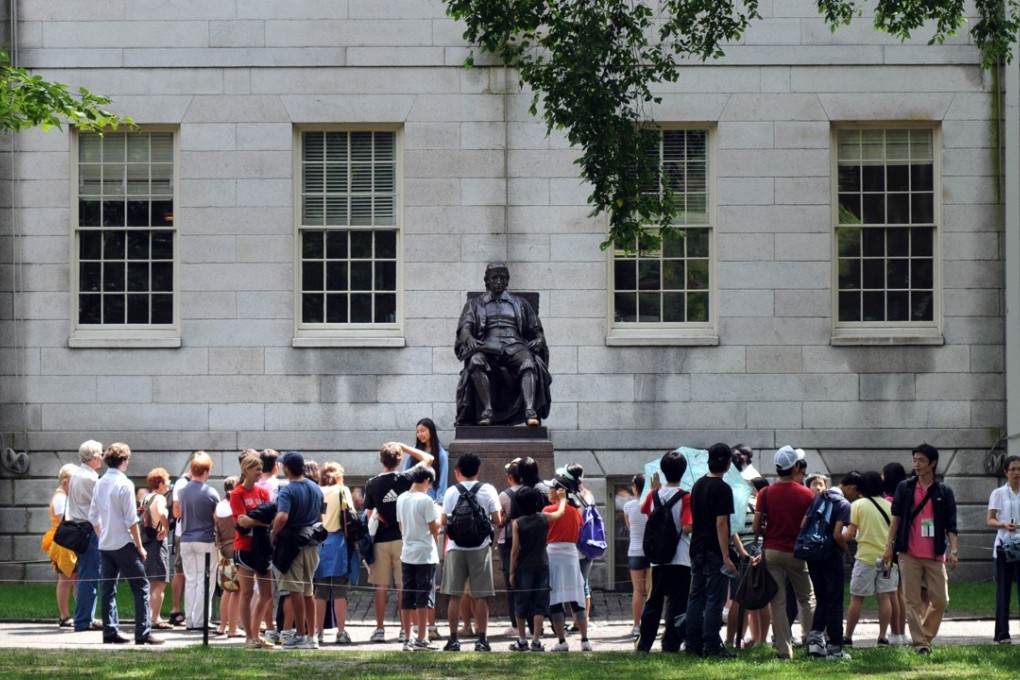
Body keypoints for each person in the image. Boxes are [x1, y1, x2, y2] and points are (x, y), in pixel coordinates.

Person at [882, 443, 959, 655]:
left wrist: (953, 550)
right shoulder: (905, 487)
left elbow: (951, 524)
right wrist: (888, 547)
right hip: (909, 552)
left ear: (932, 463)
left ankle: (925, 635)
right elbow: (895, 519)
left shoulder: (944, 491)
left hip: (935, 553)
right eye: (914, 460)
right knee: (912, 601)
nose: (916, 464)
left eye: (921, 460)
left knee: (941, 599)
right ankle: (920, 644)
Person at [454, 262, 552, 426]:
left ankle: (530, 411)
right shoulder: (475, 304)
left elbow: (536, 329)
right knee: (476, 361)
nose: (498, 281)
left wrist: (539, 339)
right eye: (494, 278)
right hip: (487, 347)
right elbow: (465, 328)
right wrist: (470, 340)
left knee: (528, 362)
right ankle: (487, 410)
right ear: (487, 281)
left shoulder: (520, 303)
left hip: (515, 345)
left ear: (507, 281)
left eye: (502, 278)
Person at [88, 443, 162, 645]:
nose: (128, 462)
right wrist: (139, 546)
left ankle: (110, 631)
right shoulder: (125, 483)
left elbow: (93, 516)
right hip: (123, 543)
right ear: (123, 460)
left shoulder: (100, 482)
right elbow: (131, 519)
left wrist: (103, 534)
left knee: (108, 588)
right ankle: (143, 632)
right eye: (127, 459)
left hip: (106, 544)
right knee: (141, 586)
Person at [364, 441, 435, 644]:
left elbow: (369, 515)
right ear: (400, 460)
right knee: (404, 585)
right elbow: (428, 459)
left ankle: (379, 629)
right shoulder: (405, 478)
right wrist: (404, 446)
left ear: (381, 460)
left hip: (381, 540)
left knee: (381, 587)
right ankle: (406, 630)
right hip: (402, 539)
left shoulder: (372, 483)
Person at [752, 445, 816, 660]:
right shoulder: (807, 493)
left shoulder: (765, 492)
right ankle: (810, 640)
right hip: (798, 552)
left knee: (777, 602)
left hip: (771, 550)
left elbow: (756, 526)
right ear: (796, 467)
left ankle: (783, 649)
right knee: (806, 598)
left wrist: (767, 530)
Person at [440, 452, 502, 652]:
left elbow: (443, 521)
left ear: (457, 472)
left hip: (455, 548)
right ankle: (482, 639)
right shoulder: (488, 489)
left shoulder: (451, 492)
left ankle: (453, 639)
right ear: (478, 470)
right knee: (481, 595)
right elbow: (497, 519)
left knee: (454, 595)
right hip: (480, 547)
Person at [685, 443, 740, 659]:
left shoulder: (698, 485)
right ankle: (711, 645)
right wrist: (726, 555)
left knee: (696, 596)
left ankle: (692, 644)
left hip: (696, 546)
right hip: (713, 550)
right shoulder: (723, 488)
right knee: (715, 599)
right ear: (727, 463)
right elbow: (721, 525)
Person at [635, 451, 692, 653]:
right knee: (677, 603)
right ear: (683, 471)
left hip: (658, 558)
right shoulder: (686, 497)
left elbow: (646, 511)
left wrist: (655, 491)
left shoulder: (653, 494)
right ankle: (670, 644)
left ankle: (644, 644)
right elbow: (687, 526)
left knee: (653, 602)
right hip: (681, 558)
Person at [271, 451, 325, 650]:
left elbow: (282, 517)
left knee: (295, 592)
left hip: (292, 545)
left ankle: (300, 635)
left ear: (286, 468)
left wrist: (273, 533)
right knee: (308, 590)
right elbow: (321, 518)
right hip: (311, 543)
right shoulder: (315, 488)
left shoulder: (287, 490)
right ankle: (312, 636)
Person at [804, 470, 860, 661]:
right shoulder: (843, 504)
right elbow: (838, 534)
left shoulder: (818, 498)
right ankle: (835, 648)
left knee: (821, 598)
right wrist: (846, 551)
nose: (855, 498)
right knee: (835, 602)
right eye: (857, 494)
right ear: (851, 488)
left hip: (813, 555)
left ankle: (815, 643)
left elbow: (804, 523)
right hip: (831, 556)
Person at [508, 485, 568, 652]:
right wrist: (562, 499)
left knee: (521, 603)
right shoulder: (544, 518)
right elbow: (560, 513)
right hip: (542, 565)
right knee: (540, 604)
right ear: (535, 503)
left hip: (524, 567)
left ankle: (521, 640)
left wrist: (512, 573)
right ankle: (535, 640)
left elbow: (514, 551)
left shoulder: (517, 523)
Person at [844, 471, 898, 647]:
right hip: (887, 559)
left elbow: (850, 533)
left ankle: (848, 637)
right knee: (885, 597)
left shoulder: (858, 505)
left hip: (865, 558)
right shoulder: (890, 506)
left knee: (857, 598)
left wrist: (836, 535)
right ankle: (882, 637)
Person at [542, 471, 591, 652]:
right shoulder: (575, 512)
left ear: (559, 492)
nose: (548, 491)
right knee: (576, 597)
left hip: (553, 555)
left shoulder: (548, 510)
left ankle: (562, 640)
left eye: (551, 488)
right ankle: (585, 639)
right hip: (571, 555)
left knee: (555, 599)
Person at [231, 453, 274, 650]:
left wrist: (253, 521)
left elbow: (268, 520)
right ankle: (249, 637)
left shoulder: (263, 493)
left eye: (261, 469)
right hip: (245, 548)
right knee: (246, 593)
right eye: (257, 469)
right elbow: (240, 523)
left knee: (266, 593)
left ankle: (256, 634)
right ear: (246, 470)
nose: (260, 473)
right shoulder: (237, 494)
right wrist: (256, 521)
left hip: (262, 547)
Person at [396, 465, 441, 651]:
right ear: (427, 481)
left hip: (407, 552)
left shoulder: (401, 498)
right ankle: (422, 637)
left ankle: (408, 637)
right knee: (424, 597)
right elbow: (434, 529)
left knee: (407, 595)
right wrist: (438, 514)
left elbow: (400, 526)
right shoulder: (426, 500)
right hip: (425, 553)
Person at [313, 462, 359, 646]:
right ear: (338, 476)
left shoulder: (317, 491)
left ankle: (319, 633)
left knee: (320, 590)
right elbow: (351, 514)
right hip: (339, 542)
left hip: (321, 542)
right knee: (340, 589)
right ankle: (341, 632)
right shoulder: (342, 490)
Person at [177, 451, 220, 631]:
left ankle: (190, 620)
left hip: (186, 539)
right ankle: (201, 620)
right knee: (206, 580)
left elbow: (178, 513)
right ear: (206, 471)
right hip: (205, 539)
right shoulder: (211, 492)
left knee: (192, 580)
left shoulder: (182, 491)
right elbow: (216, 517)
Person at [65, 439, 104, 632]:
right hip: (90, 530)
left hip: (81, 529)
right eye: (101, 454)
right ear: (95, 457)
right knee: (89, 576)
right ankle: (82, 620)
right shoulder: (90, 478)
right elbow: (100, 505)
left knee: (87, 575)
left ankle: (87, 617)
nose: (103, 457)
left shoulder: (77, 475)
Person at [987, 455, 1020, 644]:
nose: (1017, 473)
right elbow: (989, 519)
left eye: (1019, 469)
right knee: (1003, 591)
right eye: (1013, 469)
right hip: (1004, 548)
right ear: (1006, 472)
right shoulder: (998, 493)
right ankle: (1002, 634)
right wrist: (1003, 524)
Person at [44, 464, 78, 627]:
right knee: (66, 579)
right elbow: (64, 522)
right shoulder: (60, 498)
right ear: (66, 481)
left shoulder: (66, 496)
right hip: (63, 543)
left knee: (76, 578)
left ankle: (82, 614)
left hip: (70, 542)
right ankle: (64, 616)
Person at [167, 450, 198, 628]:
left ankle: (188, 610)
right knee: (180, 571)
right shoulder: (182, 483)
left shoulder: (193, 482)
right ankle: (175, 609)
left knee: (190, 573)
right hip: (182, 533)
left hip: (192, 533)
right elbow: (176, 511)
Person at [140, 468, 172, 630]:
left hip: (146, 541)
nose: (168, 485)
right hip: (157, 544)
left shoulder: (146, 498)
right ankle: (155, 618)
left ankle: (147, 616)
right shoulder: (159, 498)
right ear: (160, 483)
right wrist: (166, 529)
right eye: (167, 482)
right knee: (160, 583)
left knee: (150, 583)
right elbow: (162, 514)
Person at [882, 461, 909, 645]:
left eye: (883, 475)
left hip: (887, 552)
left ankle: (895, 633)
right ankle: (901, 633)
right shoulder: (906, 497)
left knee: (890, 592)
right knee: (900, 592)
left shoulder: (887, 501)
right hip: (901, 550)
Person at [498, 458, 524, 636]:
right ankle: (529, 622)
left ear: (509, 478)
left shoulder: (503, 495)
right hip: (527, 539)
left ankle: (515, 623)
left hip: (506, 540)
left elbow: (499, 521)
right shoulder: (529, 492)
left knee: (510, 582)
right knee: (527, 582)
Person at [622, 473, 648, 638]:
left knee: (638, 590)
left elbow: (630, 527)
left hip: (635, 550)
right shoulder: (653, 505)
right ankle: (650, 623)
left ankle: (636, 625)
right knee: (651, 590)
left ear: (635, 487)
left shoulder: (629, 506)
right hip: (652, 552)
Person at [214, 476, 240, 637]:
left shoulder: (219, 506)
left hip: (222, 550)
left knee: (227, 590)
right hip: (235, 549)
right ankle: (233, 628)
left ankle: (223, 626)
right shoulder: (234, 505)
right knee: (237, 590)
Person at [402, 418, 449, 502]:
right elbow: (405, 473)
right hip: (412, 498)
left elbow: (442, 481)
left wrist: (439, 501)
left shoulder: (441, 454)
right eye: (417, 432)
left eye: (422, 431)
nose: (419, 434)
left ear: (431, 431)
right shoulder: (414, 450)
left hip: (431, 499)